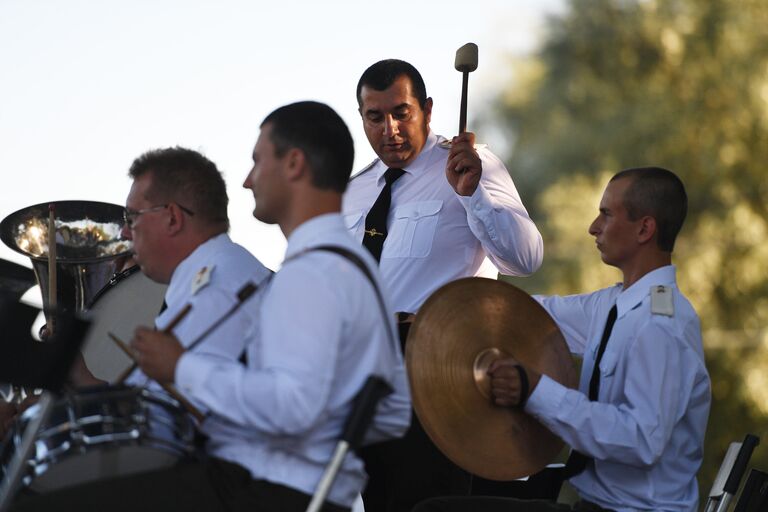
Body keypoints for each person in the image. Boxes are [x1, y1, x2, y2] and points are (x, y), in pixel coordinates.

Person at [12, 102, 410, 512]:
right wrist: (80, 379)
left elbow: (181, 422)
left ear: (171, 218)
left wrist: (181, 368)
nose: (126, 234)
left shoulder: (223, 283)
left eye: (133, 218)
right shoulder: (207, 280)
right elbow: (151, 413)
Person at [414, 167, 711, 512]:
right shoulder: (617, 304)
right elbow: (519, 314)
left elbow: (641, 440)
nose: (593, 227)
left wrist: (535, 390)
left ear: (645, 228)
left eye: (606, 214)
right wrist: (433, 313)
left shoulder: (662, 324)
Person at [342, 59, 544, 511]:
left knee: (429, 499)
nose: (390, 129)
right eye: (375, 117)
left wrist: (473, 194)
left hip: (437, 363)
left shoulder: (468, 163)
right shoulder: (352, 192)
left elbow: (525, 259)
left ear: (428, 110)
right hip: (363, 371)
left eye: (402, 112)